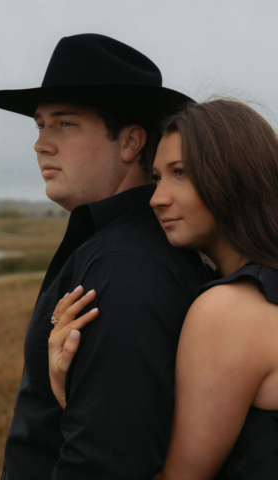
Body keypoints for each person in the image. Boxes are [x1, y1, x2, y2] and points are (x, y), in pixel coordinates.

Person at [0, 34, 211, 479]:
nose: (41, 144)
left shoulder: (125, 265)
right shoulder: (116, 247)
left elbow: (105, 465)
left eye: (64, 124)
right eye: (39, 125)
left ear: (130, 142)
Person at [50, 99, 278, 480]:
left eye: (181, 173)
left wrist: (64, 387)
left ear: (237, 175)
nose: (157, 198)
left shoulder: (230, 310)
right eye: (156, 178)